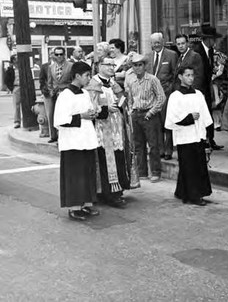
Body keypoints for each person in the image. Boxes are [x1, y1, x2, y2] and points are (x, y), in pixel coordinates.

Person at [53, 62, 100, 221]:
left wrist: (92, 113)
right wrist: (81, 116)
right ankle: (74, 207)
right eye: (87, 75)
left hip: (86, 138)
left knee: (87, 173)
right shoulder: (65, 95)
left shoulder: (85, 93)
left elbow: (86, 111)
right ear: (77, 76)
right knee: (74, 175)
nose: (89, 78)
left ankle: (86, 203)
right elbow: (59, 120)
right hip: (72, 141)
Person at [165, 66, 213, 206]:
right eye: (187, 75)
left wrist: (206, 135)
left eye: (192, 75)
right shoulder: (175, 96)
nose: (191, 78)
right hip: (184, 136)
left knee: (198, 165)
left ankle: (182, 191)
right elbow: (172, 118)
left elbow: (205, 116)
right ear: (180, 77)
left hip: (198, 134)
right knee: (189, 166)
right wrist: (189, 118)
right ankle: (193, 195)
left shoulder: (198, 94)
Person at [87, 57, 131, 207]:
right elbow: (90, 108)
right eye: (109, 65)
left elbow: (123, 101)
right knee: (105, 160)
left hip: (116, 128)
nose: (113, 67)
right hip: (102, 128)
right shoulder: (93, 84)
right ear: (99, 66)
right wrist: (106, 109)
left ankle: (118, 190)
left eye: (114, 65)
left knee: (118, 158)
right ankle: (108, 193)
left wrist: (121, 104)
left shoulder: (113, 83)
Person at [125, 53, 166, 182]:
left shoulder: (152, 79)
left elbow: (161, 97)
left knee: (153, 145)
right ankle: (142, 171)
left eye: (140, 65)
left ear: (145, 66)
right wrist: (132, 111)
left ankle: (155, 172)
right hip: (136, 113)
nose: (137, 68)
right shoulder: (132, 81)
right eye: (135, 65)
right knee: (138, 145)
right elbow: (131, 98)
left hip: (149, 114)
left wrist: (152, 111)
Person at [145, 32, 178, 160]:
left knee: (167, 122)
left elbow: (175, 75)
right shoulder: (148, 56)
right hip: (153, 96)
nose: (156, 45)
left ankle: (169, 150)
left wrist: (172, 91)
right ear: (151, 44)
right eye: (154, 43)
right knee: (156, 123)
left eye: (158, 42)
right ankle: (160, 150)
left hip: (167, 93)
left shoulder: (171, 55)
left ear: (163, 42)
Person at [193, 26, 223, 150]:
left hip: (207, 86)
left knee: (209, 113)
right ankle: (203, 140)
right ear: (207, 39)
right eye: (213, 39)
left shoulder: (210, 51)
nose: (215, 42)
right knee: (202, 114)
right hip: (199, 88)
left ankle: (211, 139)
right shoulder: (196, 51)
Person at [47, 47, 73, 143]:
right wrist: (51, 91)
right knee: (55, 115)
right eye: (56, 54)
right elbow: (50, 82)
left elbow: (73, 80)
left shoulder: (70, 66)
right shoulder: (51, 67)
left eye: (61, 54)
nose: (59, 56)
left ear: (64, 55)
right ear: (54, 55)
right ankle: (55, 136)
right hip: (56, 95)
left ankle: (66, 137)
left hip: (67, 93)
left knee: (66, 116)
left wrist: (69, 90)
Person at [5, 54, 21, 128]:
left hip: (24, 88)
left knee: (26, 104)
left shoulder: (22, 68)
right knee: (17, 105)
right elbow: (6, 80)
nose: (17, 60)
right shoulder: (10, 69)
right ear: (13, 60)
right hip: (16, 87)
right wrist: (12, 88)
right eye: (16, 59)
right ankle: (17, 121)